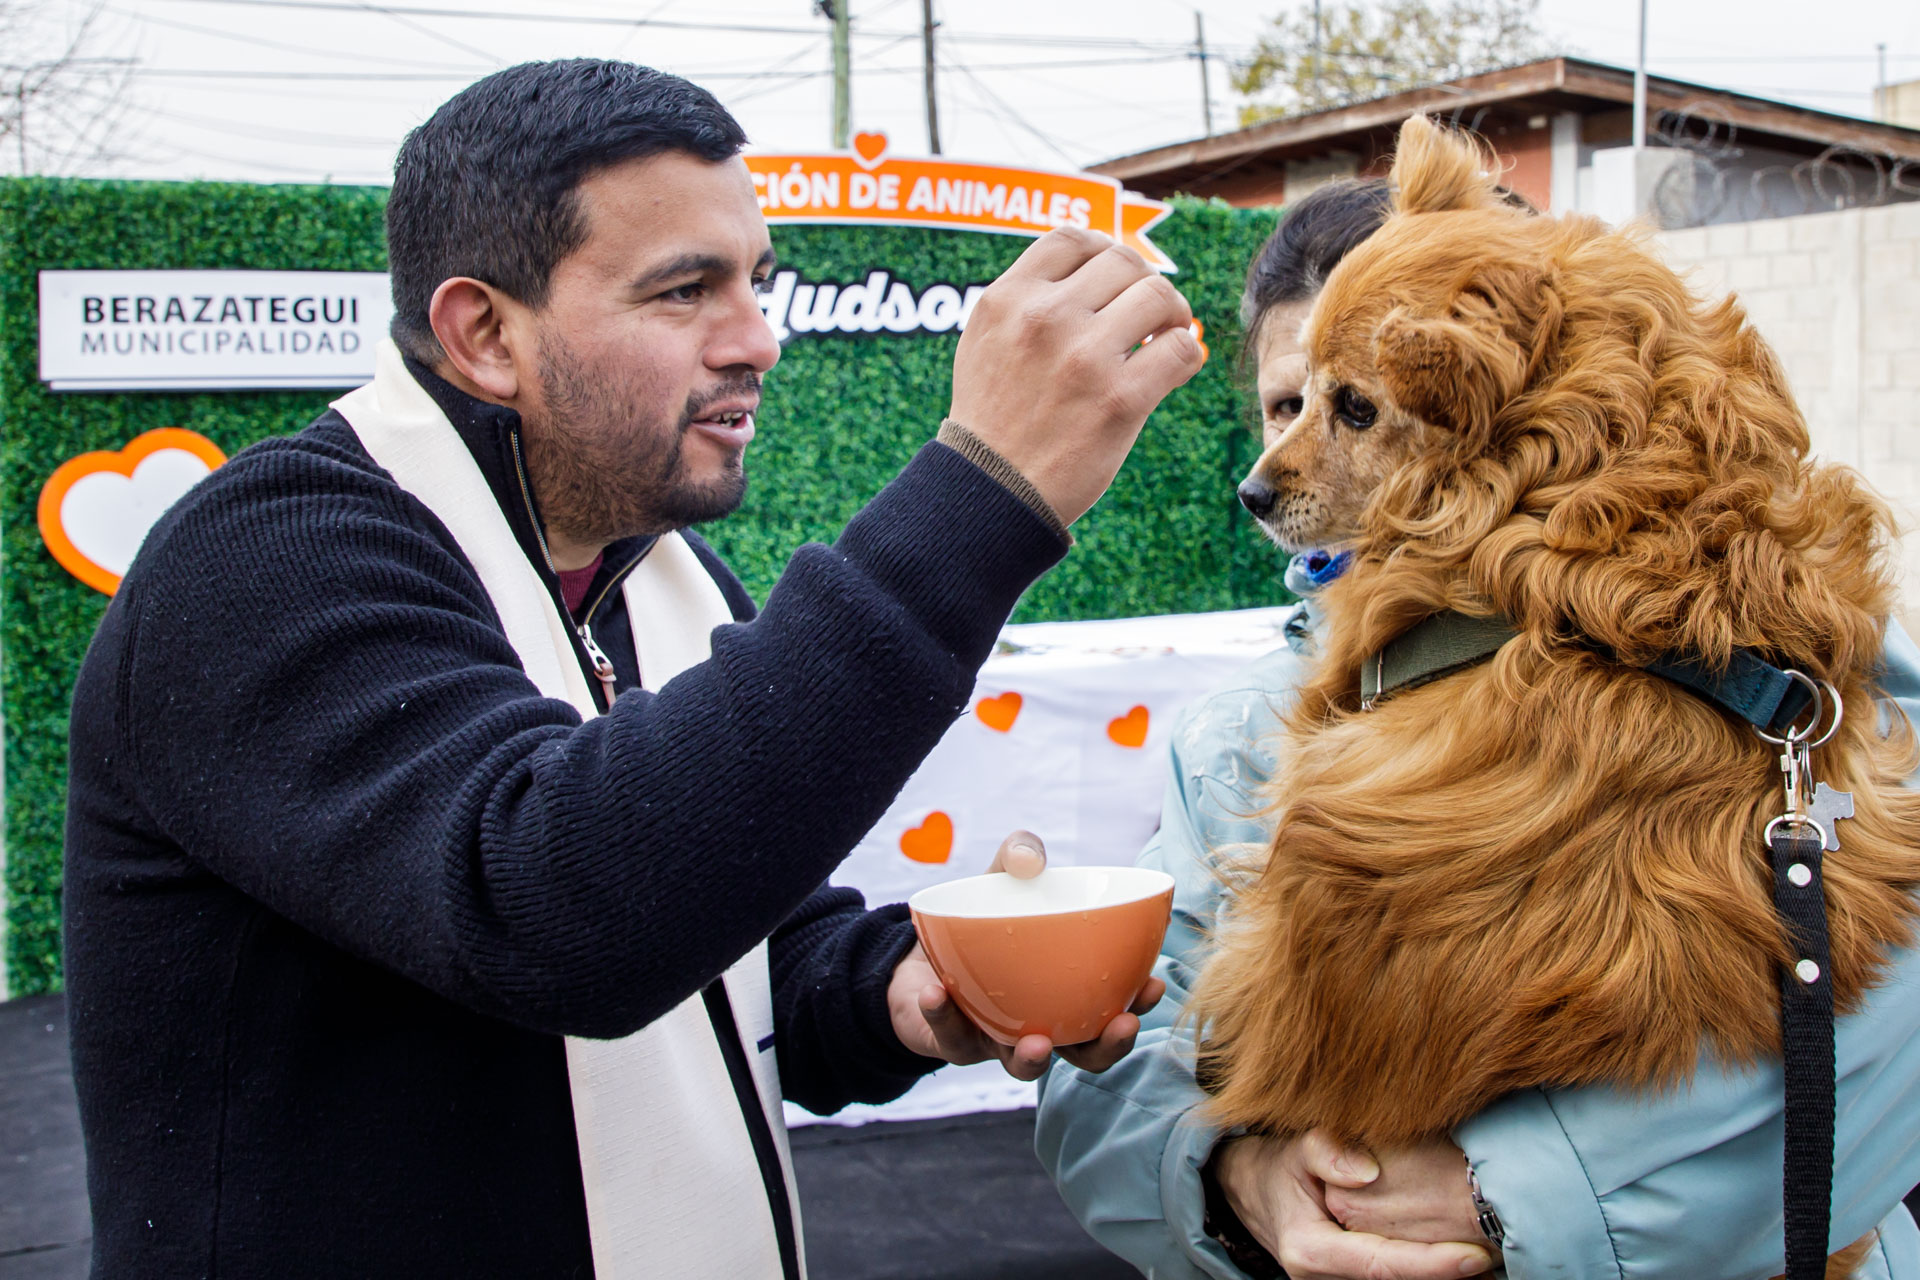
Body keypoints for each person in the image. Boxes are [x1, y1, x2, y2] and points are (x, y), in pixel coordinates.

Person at [61, 60, 1199, 1279]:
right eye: (683, 290)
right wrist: (985, 494)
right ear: (485, 332)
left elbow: (731, 949)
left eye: (756, 284)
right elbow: (558, 908)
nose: (758, 338)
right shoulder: (268, 556)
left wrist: (901, 992)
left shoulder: (663, 576)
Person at [1034, 177, 1920, 1280]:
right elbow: (1106, 1072)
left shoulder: (1786, 675)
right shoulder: (1229, 735)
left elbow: (1888, 1027)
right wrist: (1232, 1172)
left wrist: (1518, 1190)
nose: (1276, 467)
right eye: (1283, 403)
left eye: (1348, 407)